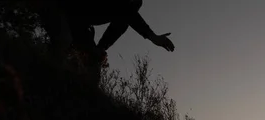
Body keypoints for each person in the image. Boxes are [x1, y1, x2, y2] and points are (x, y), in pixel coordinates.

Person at [33, 0, 175, 78]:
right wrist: (151, 36)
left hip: (79, 22)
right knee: (63, 40)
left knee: (93, 62)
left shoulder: (130, 7)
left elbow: (126, 17)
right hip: (59, 8)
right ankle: (42, 80)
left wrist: (100, 48)